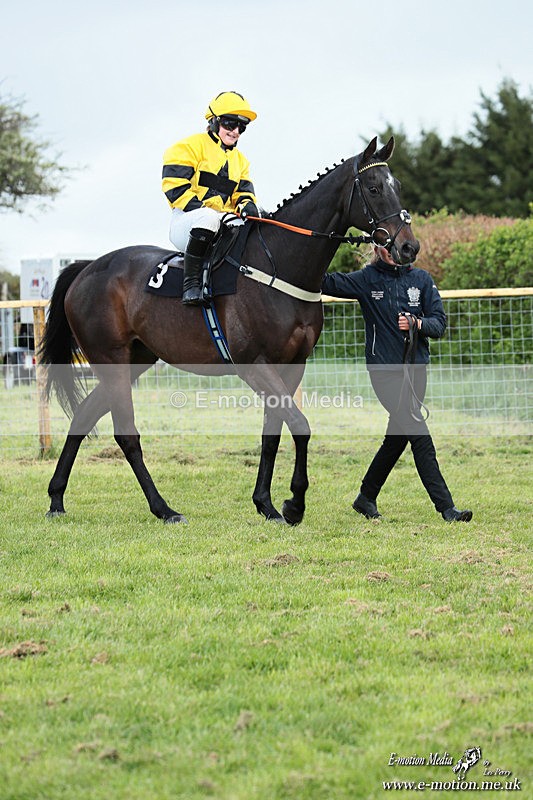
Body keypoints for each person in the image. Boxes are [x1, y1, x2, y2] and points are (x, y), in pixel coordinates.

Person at [322, 244, 473, 523]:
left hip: (416, 371)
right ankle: (447, 509)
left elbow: (439, 324)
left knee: (397, 438)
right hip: (384, 372)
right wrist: (318, 246)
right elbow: (325, 282)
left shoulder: (422, 280)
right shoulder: (366, 279)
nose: (393, 251)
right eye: (387, 246)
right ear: (378, 248)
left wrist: (416, 323)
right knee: (419, 434)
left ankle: (365, 497)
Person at [162, 91, 260, 305]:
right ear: (214, 121)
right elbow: (175, 188)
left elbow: (243, 192)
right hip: (187, 221)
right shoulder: (187, 147)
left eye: (241, 127)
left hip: (221, 221)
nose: (235, 132)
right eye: (229, 124)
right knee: (208, 217)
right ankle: (191, 285)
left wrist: (248, 205)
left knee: (254, 224)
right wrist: (215, 214)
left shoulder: (241, 161)